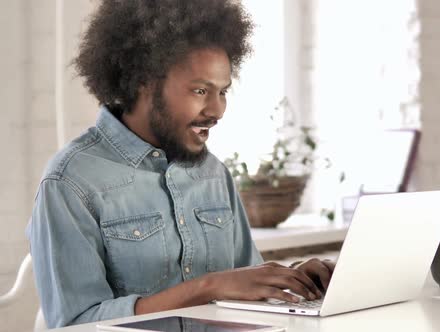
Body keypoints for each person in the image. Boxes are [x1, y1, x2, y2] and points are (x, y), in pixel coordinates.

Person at [26, 0, 334, 328]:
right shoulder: (72, 181)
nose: (217, 110)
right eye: (200, 90)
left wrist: (292, 280)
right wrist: (207, 287)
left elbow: (246, 289)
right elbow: (75, 324)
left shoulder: (212, 174)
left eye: (223, 92)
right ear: (144, 81)